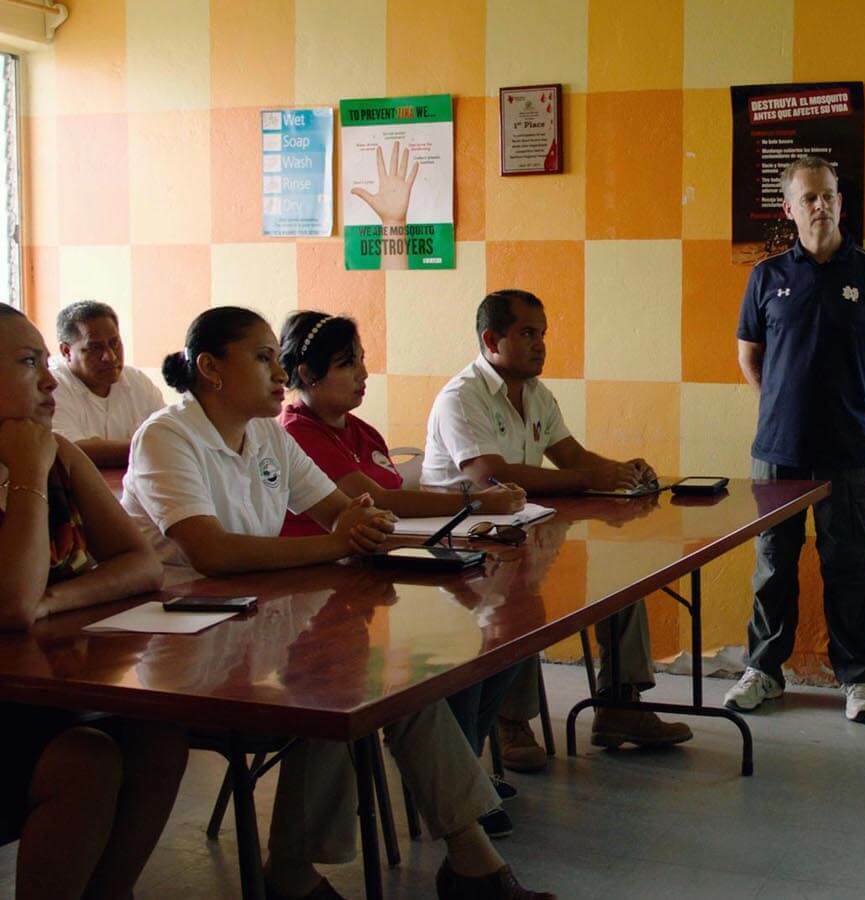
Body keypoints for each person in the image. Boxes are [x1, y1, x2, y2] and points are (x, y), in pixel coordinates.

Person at [119, 306, 549, 900]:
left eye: (278, 357)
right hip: (178, 642)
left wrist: (363, 522)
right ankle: (298, 872)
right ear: (211, 369)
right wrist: (342, 536)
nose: (279, 373)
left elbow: (335, 512)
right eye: (263, 358)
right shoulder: (168, 434)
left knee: (387, 688)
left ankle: (470, 858)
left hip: (251, 619)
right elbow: (211, 552)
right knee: (334, 686)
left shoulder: (266, 434)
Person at [275, 310, 530, 830]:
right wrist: (474, 500)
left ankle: (463, 774)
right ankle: (456, 790)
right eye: (348, 364)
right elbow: (374, 500)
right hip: (318, 596)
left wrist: (471, 503)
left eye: (362, 360)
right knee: (446, 655)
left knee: (507, 632)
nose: (363, 374)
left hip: (377, 577)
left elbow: (391, 503)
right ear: (307, 375)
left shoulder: (361, 428)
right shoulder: (295, 433)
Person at [421, 289, 692, 764]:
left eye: (543, 334)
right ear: (491, 339)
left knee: (618, 582)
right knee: (518, 588)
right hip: (462, 546)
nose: (540, 344)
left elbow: (573, 458)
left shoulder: (536, 394)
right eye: (527, 333)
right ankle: (511, 723)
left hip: (524, 529)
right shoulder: (461, 397)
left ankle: (618, 707)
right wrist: (588, 478)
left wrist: (622, 473)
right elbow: (489, 474)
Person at [0, 303, 189, 899]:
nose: (50, 379)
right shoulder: (41, 461)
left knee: (161, 735)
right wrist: (28, 472)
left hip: (44, 689)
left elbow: (142, 565)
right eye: (30, 363)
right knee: (88, 761)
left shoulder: (62, 456)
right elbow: (9, 604)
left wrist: (54, 601)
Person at [724, 155, 865, 724]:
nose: (820, 206)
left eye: (828, 195)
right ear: (789, 208)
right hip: (777, 454)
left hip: (849, 454)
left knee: (848, 566)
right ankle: (763, 670)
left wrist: (859, 413)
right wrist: (782, 407)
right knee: (773, 566)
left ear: (840, 202)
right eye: (809, 198)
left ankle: (858, 680)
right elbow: (747, 357)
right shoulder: (767, 276)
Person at [48, 300, 165, 468]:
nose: (110, 357)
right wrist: (149, 447)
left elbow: (168, 435)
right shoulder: (51, 387)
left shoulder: (137, 381)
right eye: (95, 348)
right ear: (66, 351)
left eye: (114, 343)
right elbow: (71, 452)